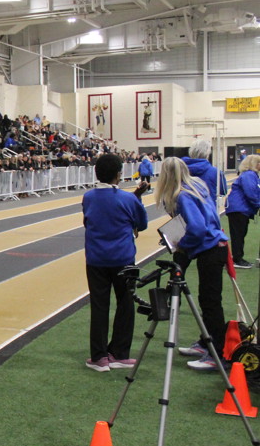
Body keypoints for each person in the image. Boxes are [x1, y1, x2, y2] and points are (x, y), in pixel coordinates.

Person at [155, 157, 229, 371]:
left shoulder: (182, 195)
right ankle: (207, 342)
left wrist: (181, 243)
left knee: (210, 302)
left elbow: (196, 228)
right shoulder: (197, 186)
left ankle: (217, 353)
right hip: (215, 245)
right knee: (208, 300)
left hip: (210, 248)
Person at [81, 154, 149, 372]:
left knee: (99, 306)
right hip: (124, 258)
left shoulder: (88, 197)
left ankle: (99, 357)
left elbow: (89, 221)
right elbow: (142, 223)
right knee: (125, 303)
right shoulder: (128, 199)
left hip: (96, 259)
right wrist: (137, 197)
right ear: (119, 174)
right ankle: (119, 353)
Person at [224, 154, 260, 269]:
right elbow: (251, 192)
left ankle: (238, 257)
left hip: (239, 208)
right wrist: (258, 204)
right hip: (239, 208)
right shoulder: (249, 175)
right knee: (238, 235)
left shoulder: (250, 175)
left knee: (239, 234)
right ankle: (237, 259)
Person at [182, 138, 226, 204]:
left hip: (187, 207)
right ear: (208, 153)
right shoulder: (216, 172)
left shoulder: (180, 170)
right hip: (208, 207)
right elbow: (223, 191)